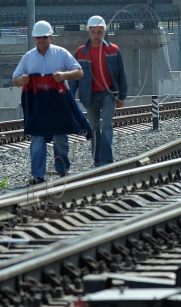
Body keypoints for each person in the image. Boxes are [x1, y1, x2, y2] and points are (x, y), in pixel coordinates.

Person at [12, 20, 89, 184]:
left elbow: (79, 72)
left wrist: (64, 76)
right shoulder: (28, 58)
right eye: (38, 38)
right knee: (37, 138)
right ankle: (38, 175)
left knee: (60, 137)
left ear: (51, 37)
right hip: (37, 105)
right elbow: (15, 79)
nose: (41, 40)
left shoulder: (62, 54)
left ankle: (62, 171)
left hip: (58, 104)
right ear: (34, 39)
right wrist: (22, 80)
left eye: (44, 37)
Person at [69, 15, 128, 168]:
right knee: (94, 126)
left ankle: (106, 160)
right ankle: (97, 159)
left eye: (99, 32)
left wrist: (122, 96)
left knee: (107, 124)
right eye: (93, 32)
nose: (96, 35)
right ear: (88, 32)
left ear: (104, 32)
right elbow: (75, 76)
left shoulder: (113, 50)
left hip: (108, 94)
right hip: (89, 96)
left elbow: (121, 73)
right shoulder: (81, 52)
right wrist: (71, 96)